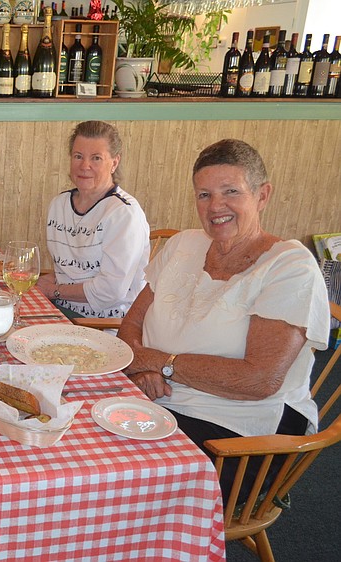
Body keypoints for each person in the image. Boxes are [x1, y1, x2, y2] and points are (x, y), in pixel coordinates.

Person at [117, 139, 330, 503]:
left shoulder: (289, 267)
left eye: (231, 191)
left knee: (120, 481)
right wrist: (139, 371)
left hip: (241, 430)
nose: (216, 206)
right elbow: (131, 325)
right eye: (204, 194)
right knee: (71, 436)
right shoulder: (184, 245)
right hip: (154, 398)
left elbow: (259, 380)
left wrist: (159, 364)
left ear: (262, 195)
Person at [36, 120, 150, 318]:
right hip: (59, 311)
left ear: (114, 163)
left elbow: (110, 291)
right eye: (78, 156)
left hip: (104, 324)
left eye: (96, 158)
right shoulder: (59, 204)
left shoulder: (124, 214)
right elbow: (73, 269)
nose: (84, 166)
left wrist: (52, 290)